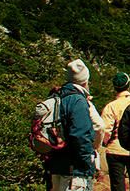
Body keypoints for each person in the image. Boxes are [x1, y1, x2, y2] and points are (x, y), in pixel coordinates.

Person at [46, 59, 98, 191]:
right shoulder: (77, 100)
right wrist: (88, 162)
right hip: (75, 170)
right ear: (85, 80)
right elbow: (80, 135)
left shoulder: (58, 95)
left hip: (57, 165)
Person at [100, 72, 130, 191]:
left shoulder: (111, 106)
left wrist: (103, 144)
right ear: (129, 86)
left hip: (115, 149)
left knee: (117, 185)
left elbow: (105, 131)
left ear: (114, 87)